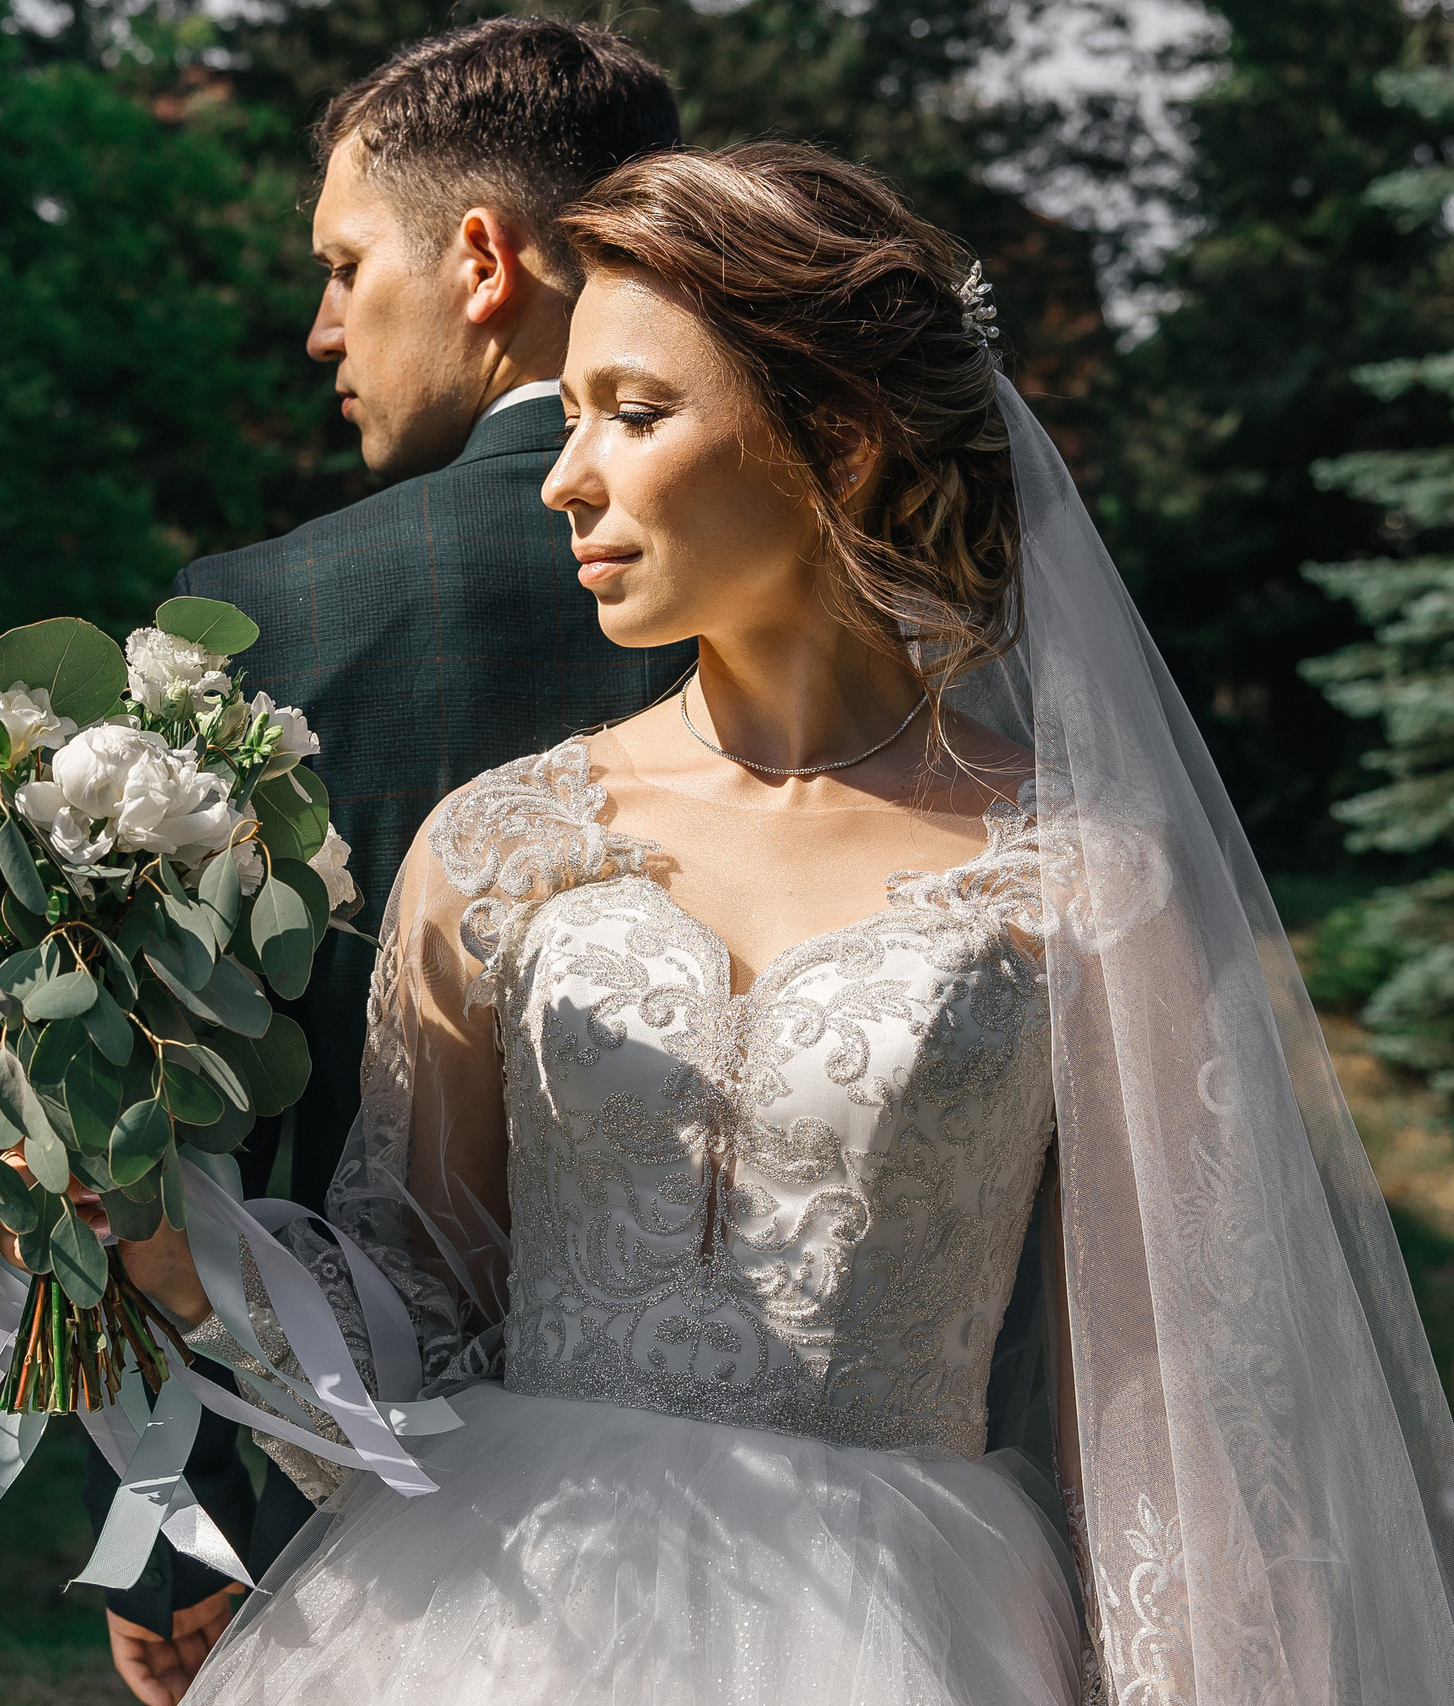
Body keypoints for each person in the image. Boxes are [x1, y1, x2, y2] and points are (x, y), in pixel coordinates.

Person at [98, 142, 1454, 1704]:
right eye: (571, 410)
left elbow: (1176, 1414)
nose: (564, 475)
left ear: (842, 442)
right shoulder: (496, 850)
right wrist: (171, 1246)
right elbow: (410, 1359)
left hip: (908, 1637)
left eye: (635, 412)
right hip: (487, 1631)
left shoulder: (1081, 882)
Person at [86, 21, 696, 1697]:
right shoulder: (828, 591)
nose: (321, 328)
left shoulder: (263, 614)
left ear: (481, 263)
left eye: (346, 267)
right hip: (806, 1509)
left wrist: (166, 1531)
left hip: (350, 1484)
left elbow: (160, 1125)